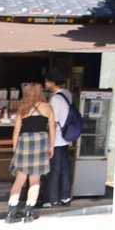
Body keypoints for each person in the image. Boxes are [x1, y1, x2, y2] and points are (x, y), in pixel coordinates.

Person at [5, 82, 55, 223]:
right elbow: (52, 128)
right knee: (35, 180)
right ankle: (28, 213)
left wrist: (15, 148)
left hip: (24, 142)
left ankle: (10, 213)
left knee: (19, 180)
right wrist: (51, 146)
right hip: (41, 142)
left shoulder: (22, 108)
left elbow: (16, 130)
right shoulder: (47, 107)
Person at [40, 69, 73, 207]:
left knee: (54, 170)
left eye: (46, 80)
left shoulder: (55, 99)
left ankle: (52, 198)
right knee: (64, 169)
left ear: (52, 82)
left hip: (57, 138)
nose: (45, 83)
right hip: (66, 137)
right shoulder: (67, 94)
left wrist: (50, 142)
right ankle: (65, 196)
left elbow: (53, 122)